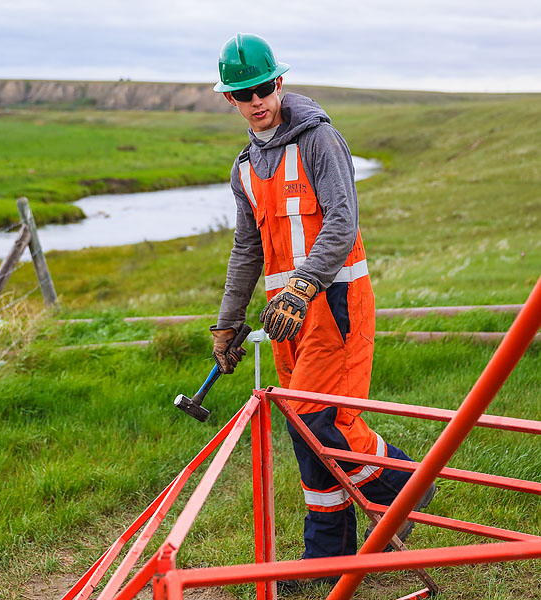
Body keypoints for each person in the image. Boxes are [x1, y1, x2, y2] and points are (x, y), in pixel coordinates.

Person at [208, 33, 435, 591]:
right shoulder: (243, 168)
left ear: (279, 83)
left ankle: (407, 483)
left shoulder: (319, 140)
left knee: (320, 421)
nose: (258, 100)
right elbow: (246, 249)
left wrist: (304, 285)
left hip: (333, 303)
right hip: (284, 318)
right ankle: (327, 561)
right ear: (229, 101)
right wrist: (227, 322)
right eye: (245, 93)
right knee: (302, 428)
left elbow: (343, 220)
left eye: (265, 87)